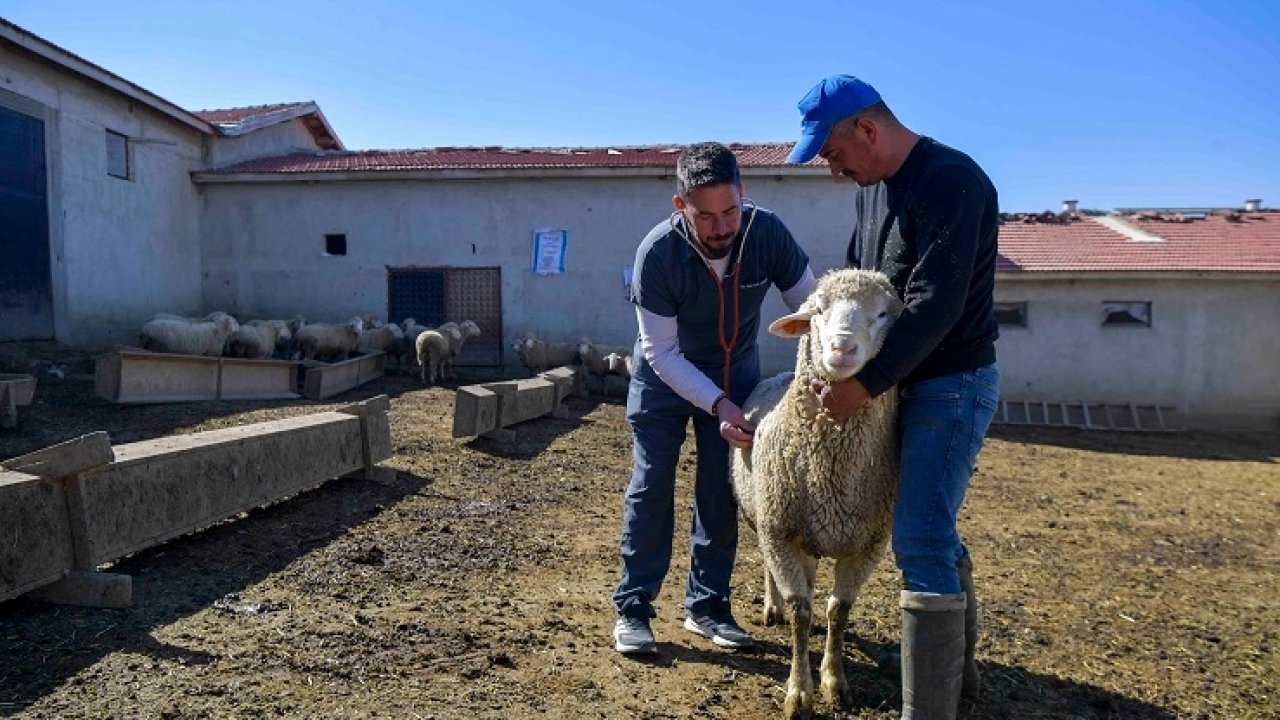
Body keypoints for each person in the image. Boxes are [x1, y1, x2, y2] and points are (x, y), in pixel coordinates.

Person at [785, 75, 1001, 720]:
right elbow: (859, 283)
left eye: (831, 152)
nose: (832, 168)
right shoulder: (873, 194)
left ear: (867, 129)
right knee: (932, 528)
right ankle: (959, 683)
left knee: (918, 536)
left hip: (949, 381)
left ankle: (928, 710)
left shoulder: (953, 182)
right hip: (900, 382)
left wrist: (866, 386)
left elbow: (939, 303)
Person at [612, 142, 817, 656]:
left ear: (744, 196)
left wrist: (817, 374)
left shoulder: (767, 233)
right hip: (665, 379)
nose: (723, 226)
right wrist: (717, 404)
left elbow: (812, 310)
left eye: (731, 210)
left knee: (721, 490)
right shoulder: (657, 254)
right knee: (652, 482)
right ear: (681, 207)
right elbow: (661, 352)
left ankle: (707, 606)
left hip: (737, 375)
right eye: (707, 215)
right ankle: (634, 608)